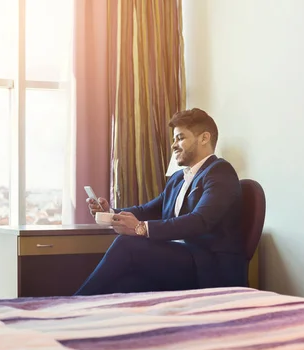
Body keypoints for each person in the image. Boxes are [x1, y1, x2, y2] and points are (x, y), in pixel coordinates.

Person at [74, 108, 246, 296]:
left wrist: (140, 228)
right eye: (174, 139)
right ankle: (82, 315)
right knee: (127, 284)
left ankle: (72, 304)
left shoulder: (220, 171)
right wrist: (111, 212)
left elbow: (200, 221)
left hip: (210, 266)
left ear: (204, 138)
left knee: (126, 244)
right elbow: (148, 210)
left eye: (180, 138)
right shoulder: (177, 179)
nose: (173, 145)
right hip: (182, 259)